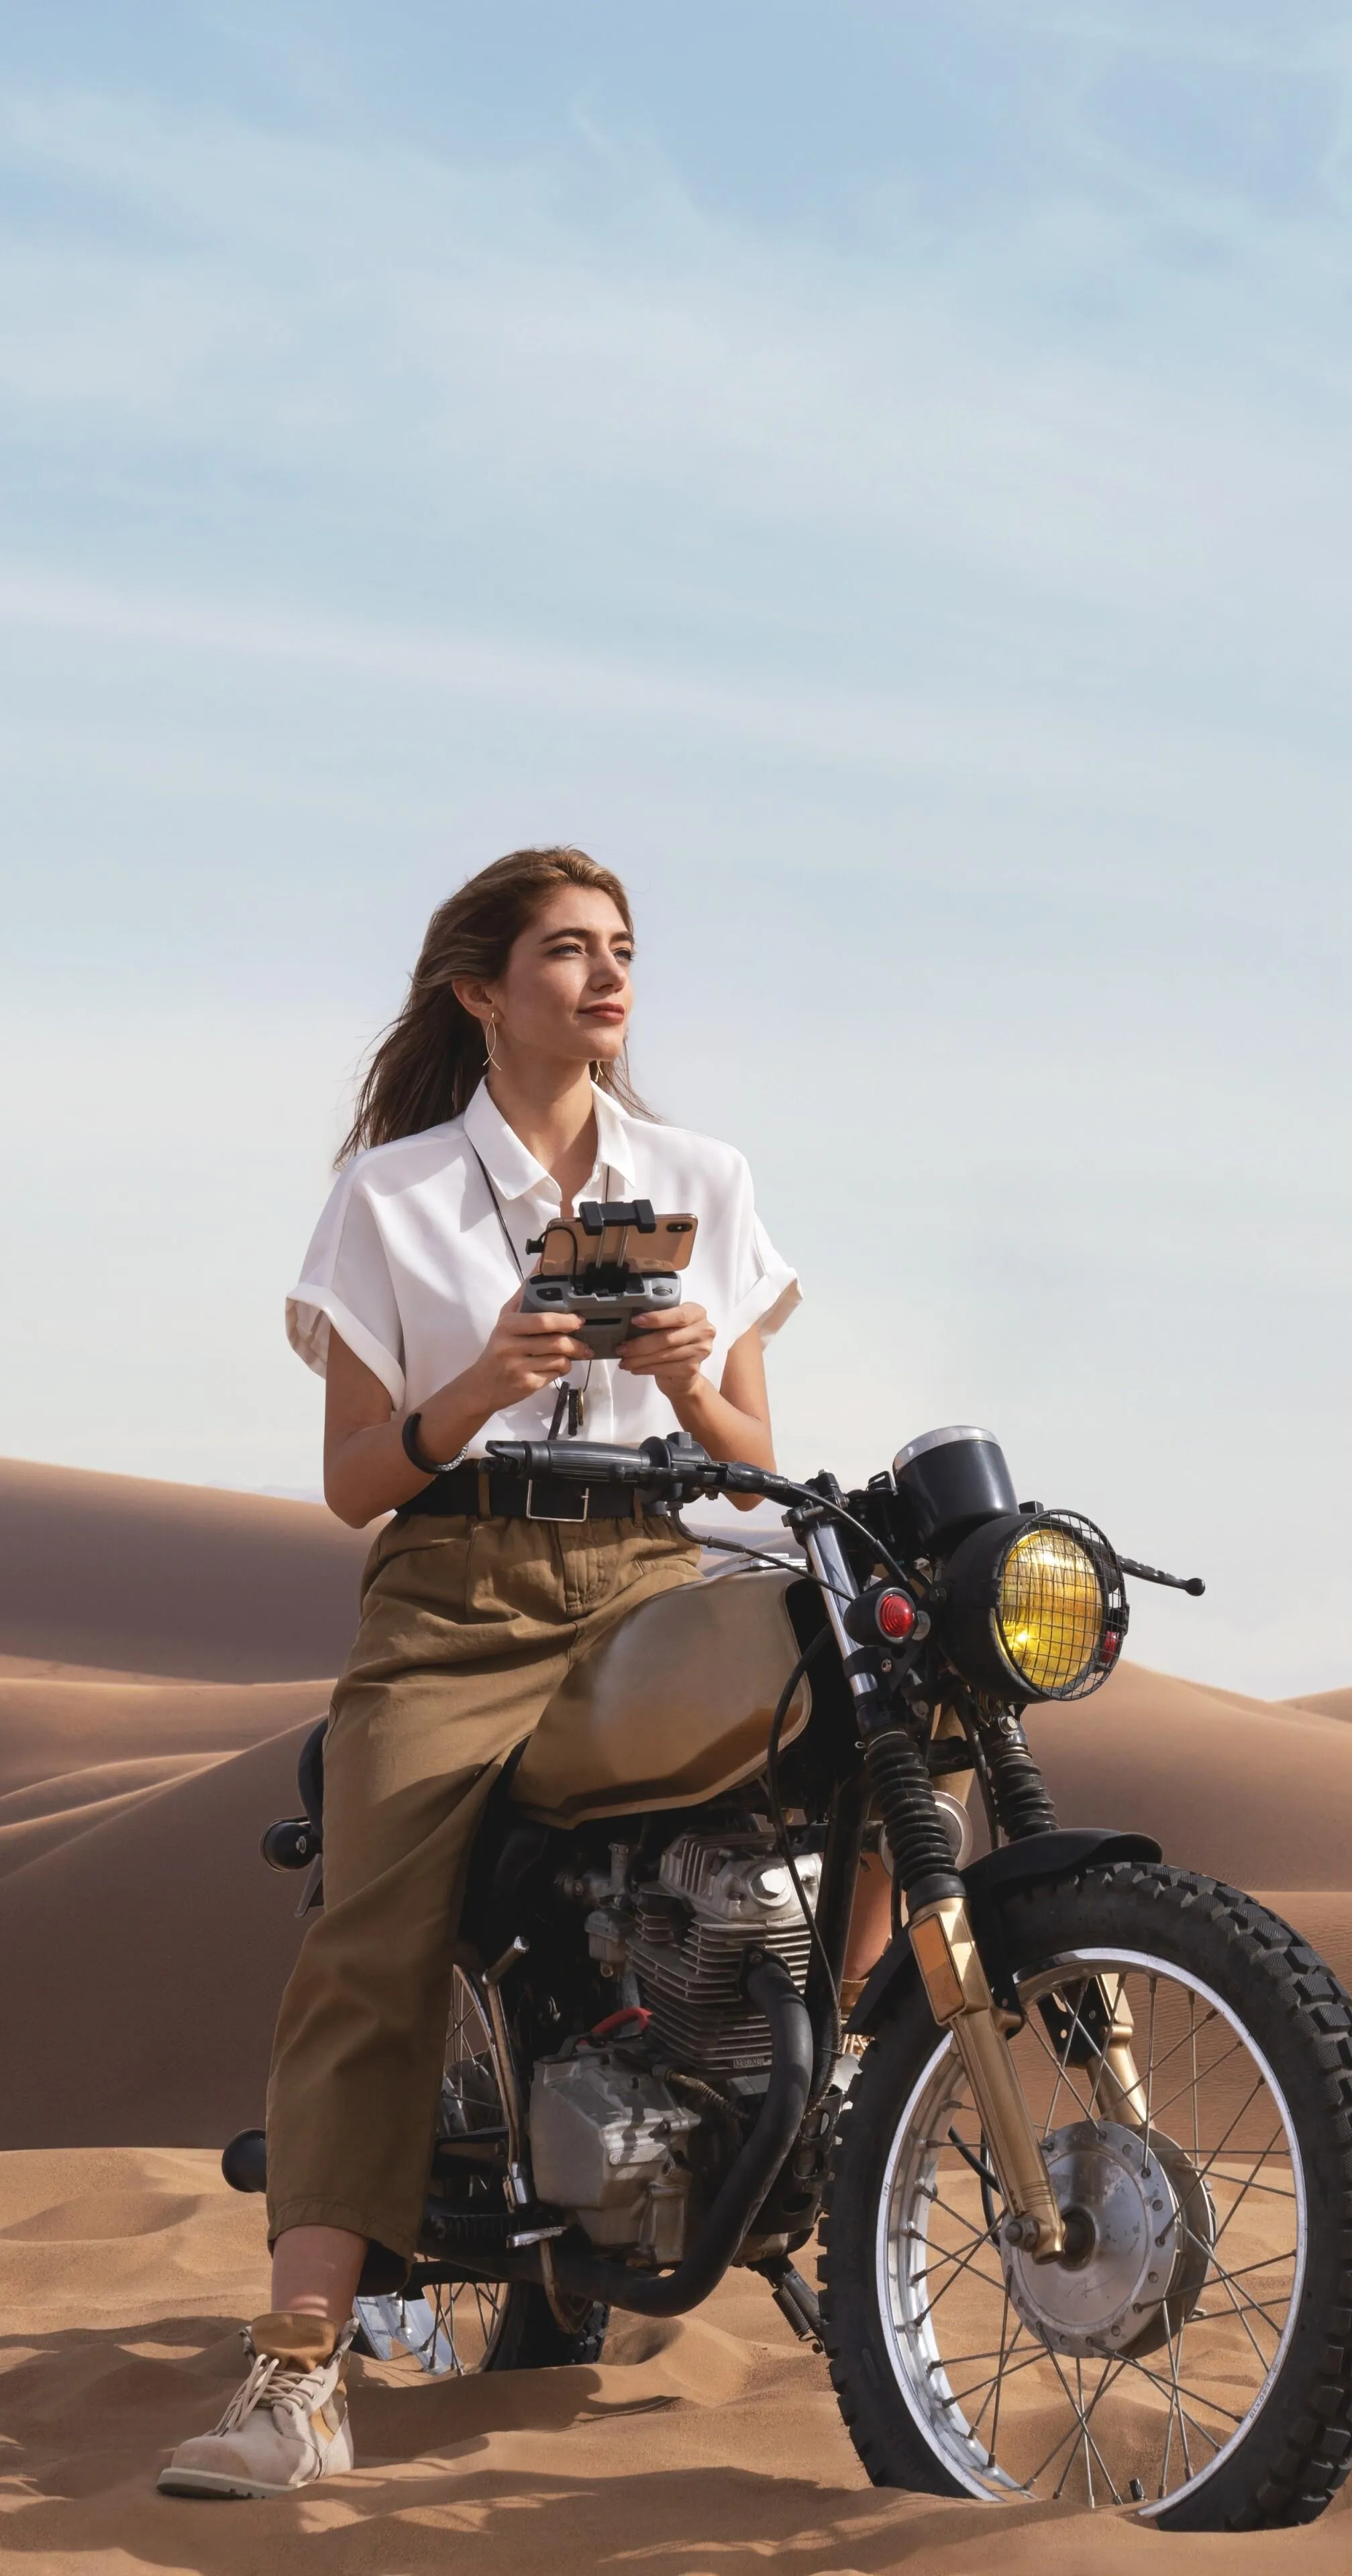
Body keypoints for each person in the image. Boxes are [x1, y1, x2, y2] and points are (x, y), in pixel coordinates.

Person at [158, 845, 803, 2498]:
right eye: (569, 951)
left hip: (655, 1572)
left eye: (624, 948)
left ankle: (836, 2089)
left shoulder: (705, 1177)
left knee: (874, 1722)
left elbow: (751, 1470)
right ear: (481, 991)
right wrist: (481, 1382)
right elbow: (355, 1480)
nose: (610, 976)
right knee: (372, 1943)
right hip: (458, 1594)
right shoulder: (393, 1197)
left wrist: (691, 1379)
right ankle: (300, 2371)